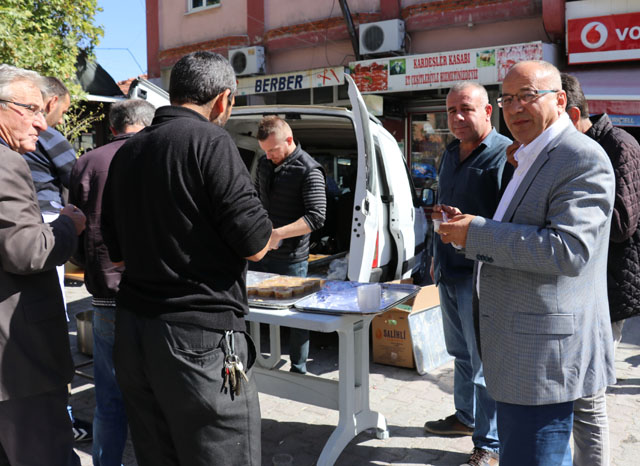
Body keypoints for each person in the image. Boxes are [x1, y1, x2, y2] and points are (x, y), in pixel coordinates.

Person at [437, 60, 616, 466]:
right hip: (519, 349)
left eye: (527, 95)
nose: (515, 107)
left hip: (542, 357)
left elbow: (568, 250)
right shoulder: (531, 156)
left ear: (559, 99)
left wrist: (475, 233)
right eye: (508, 98)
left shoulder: (579, 157)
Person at [101, 51, 274, 466]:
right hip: (199, 339)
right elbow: (256, 242)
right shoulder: (212, 141)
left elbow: (117, 252)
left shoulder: (127, 151)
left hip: (136, 334)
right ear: (223, 100)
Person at [0, 64, 86, 465]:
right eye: (30, 109)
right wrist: (68, 225)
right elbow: (27, 250)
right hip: (20, 363)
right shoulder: (6, 163)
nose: (41, 123)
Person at [424, 81, 511, 466]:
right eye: (451, 111)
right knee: (459, 353)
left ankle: (489, 445)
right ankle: (465, 417)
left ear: (488, 111)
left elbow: (510, 221)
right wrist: (432, 255)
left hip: (481, 277)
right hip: (448, 270)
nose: (457, 118)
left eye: (466, 109)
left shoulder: (505, 155)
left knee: (482, 363)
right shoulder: (448, 154)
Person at [69, 99, 156, 466]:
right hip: (154, 297)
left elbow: (74, 230)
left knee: (109, 398)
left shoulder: (86, 162)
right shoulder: (156, 154)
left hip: (105, 293)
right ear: (145, 123)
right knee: (157, 397)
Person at [562, 73, 640, 466]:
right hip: (579, 288)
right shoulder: (577, 147)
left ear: (574, 113)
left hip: (608, 289)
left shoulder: (618, 145)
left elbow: (624, 223)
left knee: (588, 397)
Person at [252, 115, 326, 374]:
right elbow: (257, 200)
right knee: (257, 311)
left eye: (273, 149)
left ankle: (299, 369)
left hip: (292, 258)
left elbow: (317, 217)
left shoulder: (309, 169)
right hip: (263, 253)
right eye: (265, 150)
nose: (269, 155)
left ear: (290, 140)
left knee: (297, 316)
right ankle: (258, 364)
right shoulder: (263, 163)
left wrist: (278, 233)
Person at [23, 76, 76, 306]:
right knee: (53, 293)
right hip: (48, 215)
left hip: (23, 216)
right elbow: (77, 177)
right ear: (52, 102)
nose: (62, 120)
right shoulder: (46, 134)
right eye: (63, 112)